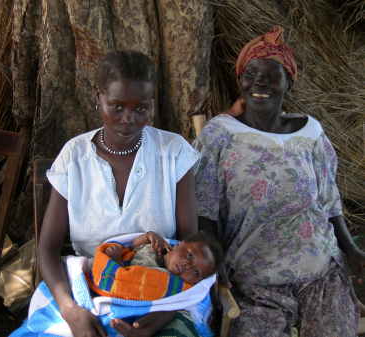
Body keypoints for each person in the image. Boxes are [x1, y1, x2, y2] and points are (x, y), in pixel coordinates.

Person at [194, 26, 364, 337]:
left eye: (272, 74)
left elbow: (329, 201)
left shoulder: (311, 131)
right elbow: (205, 213)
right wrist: (214, 263)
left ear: (288, 82)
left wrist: (351, 251)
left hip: (321, 273)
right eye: (251, 72)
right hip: (254, 281)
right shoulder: (219, 134)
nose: (260, 81)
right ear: (240, 80)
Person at [27, 50, 201, 337]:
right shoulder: (74, 156)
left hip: (164, 290)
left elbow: (191, 246)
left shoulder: (174, 153)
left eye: (141, 108)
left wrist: (162, 314)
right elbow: (47, 248)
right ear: (98, 98)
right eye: (117, 106)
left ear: (152, 104)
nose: (128, 119)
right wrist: (72, 312)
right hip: (87, 286)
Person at [92, 230, 222, 300]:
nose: (188, 266)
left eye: (196, 272)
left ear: (197, 281)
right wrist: (148, 235)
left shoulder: (174, 285)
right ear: (179, 244)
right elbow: (131, 248)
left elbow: (129, 279)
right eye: (189, 255)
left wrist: (117, 261)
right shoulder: (154, 248)